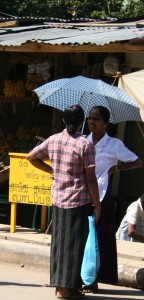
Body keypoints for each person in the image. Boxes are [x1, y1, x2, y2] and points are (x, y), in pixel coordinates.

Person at [27, 104, 101, 299]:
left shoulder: (54, 139)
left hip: (58, 198)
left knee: (60, 244)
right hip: (78, 199)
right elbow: (91, 178)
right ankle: (65, 289)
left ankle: (65, 286)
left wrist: (53, 171)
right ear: (81, 123)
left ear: (63, 121)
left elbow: (31, 157)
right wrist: (98, 204)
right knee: (74, 245)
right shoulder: (85, 144)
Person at [84, 105, 142, 292]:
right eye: (90, 118)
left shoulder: (114, 144)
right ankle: (84, 275)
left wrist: (114, 169)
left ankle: (96, 278)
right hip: (83, 193)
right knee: (85, 236)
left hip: (102, 194)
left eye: (96, 119)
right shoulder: (84, 141)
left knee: (100, 237)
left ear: (105, 123)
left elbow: (136, 161)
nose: (92, 122)